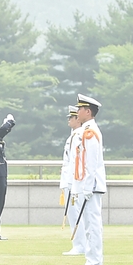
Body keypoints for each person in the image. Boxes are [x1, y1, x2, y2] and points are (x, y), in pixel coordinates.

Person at [72, 95, 106, 265]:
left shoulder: (89, 132)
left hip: (91, 187)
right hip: (87, 185)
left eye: (80, 109)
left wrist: (87, 186)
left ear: (87, 111)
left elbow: (91, 163)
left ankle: (94, 263)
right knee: (88, 225)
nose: (77, 112)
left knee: (92, 225)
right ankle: (91, 260)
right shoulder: (86, 130)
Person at [60, 106, 85, 255]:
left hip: (74, 181)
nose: (69, 120)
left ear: (78, 119)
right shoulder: (73, 135)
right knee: (72, 213)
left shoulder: (79, 135)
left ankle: (80, 245)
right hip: (69, 179)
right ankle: (78, 244)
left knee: (76, 214)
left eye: (71, 117)